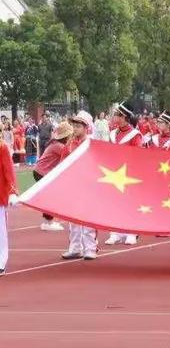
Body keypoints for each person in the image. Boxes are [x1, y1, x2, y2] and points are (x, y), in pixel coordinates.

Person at [60, 111, 98, 260]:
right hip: (73, 186)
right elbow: (63, 163)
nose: (75, 129)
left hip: (88, 186)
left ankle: (90, 248)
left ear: (86, 127)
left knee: (88, 218)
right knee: (73, 219)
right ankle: (75, 248)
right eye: (74, 126)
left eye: (78, 126)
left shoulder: (92, 143)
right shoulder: (69, 144)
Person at [105, 102, 143, 246]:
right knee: (114, 203)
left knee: (130, 203)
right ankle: (115, 233)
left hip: (129, 174)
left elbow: (138, 155)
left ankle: (131, 232)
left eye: (117, 114)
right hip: (114, 173)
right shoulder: (113, 133)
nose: (115, 117)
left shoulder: (135, 134)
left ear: (125, 117)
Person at [33, 122, 73, 232]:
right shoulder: (59, 146)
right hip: (43, 172)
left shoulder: (56, 144)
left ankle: (48, 220)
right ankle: (48, 222)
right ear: (66, 136)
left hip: (41, 172)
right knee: (51, 197)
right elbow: (72, 155)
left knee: (50, 196)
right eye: (70, 135)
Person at [0, 124, 18, 276]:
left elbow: (9, 171)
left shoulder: (3, 148)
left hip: (0, 195)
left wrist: (12, 192)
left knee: (0, 231)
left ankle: (1, 261)